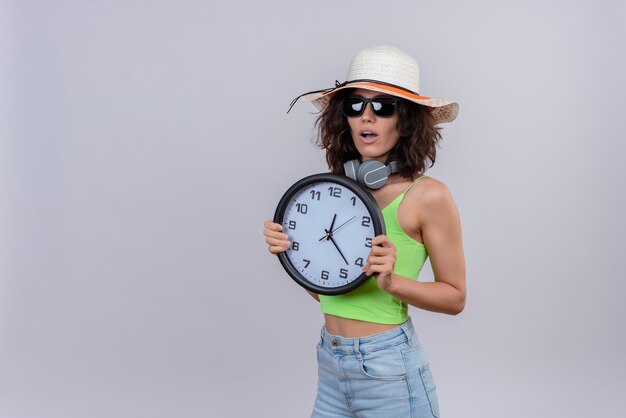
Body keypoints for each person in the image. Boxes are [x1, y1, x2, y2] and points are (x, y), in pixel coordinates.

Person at [263, 45, 466, 418]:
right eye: (355, 106)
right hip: (331, 362)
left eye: (383, 107)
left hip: (389, 370)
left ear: (404, 120)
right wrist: (291, 255)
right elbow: (335, 295)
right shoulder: (337, 192)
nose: (366, 118)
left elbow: (455, 298)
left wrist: (392, 283)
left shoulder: (427, 195)